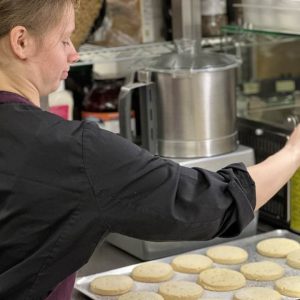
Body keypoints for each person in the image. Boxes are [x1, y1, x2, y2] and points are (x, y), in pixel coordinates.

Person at [1, 0, 300, 299]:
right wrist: (293, 152)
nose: (73, 53)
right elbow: (212, 203)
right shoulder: (75, 153)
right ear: (21, 41)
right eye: (64, 39)